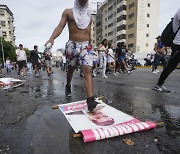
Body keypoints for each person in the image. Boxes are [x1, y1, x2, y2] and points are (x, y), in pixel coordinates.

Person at [45, 0, 104, 112]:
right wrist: (52, 38)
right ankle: (68, 84)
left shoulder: (90, 15)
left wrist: (91, 44)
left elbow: (89, 32)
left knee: (87, 69)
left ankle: (90, 101)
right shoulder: (68, 12)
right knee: (71, 69)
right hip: (72, 45)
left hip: (86, 46)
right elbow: (60, 27)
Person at [154, 8, 180, 92]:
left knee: (169, 65)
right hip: (178, 45)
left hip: (175, 45)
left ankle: (159, 84)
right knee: (170, 66)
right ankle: (159, 84)